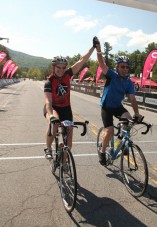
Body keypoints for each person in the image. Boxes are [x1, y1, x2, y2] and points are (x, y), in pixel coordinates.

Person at [93, 36, 143, 165]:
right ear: (117, 67)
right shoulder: (111, 75)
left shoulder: (129, 82)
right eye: (122, 67)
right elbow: (101, 63)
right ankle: (103, 152)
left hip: (117, 106)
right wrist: (98, 49)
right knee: (110, 131)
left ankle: (121, 142)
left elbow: (132, 99)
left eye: (127, 67)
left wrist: (137, 114)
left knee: (128, 121)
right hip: (107, 107)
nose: (125, 69)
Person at [43, 45, 95, 159]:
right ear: (53, 67)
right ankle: (48, 148)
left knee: (69, 143)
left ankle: (65, 162)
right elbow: (48, 101)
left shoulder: (68, 74)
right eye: (58, 67)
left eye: (63, 67)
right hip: (53, 108)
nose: (61, 70)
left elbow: (82, 60)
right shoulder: (49, 82)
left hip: (66, 108)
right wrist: (51, 115)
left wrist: (93, 48)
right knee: (55, 123)